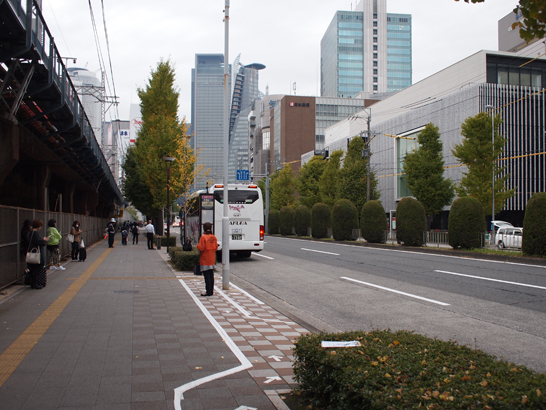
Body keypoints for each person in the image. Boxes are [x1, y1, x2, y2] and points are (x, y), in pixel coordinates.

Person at [197, 222, 218, 297]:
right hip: (212, 259)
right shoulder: (214, 237)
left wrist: (197, 245)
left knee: (206, 276)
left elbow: (201, 248)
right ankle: (211, 290)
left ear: (204, 228)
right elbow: (216, 247)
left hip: (205, 259)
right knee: (211, 275)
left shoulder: (203, 237)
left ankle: (208, 291)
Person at [28, 219, 50, 289]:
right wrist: (44, 240)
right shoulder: (35, 233)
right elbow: (39, 242)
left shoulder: (30, 232)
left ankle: (33, 283)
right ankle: (35, 284)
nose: (41, 227)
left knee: (33, 269)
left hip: (32, 252)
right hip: (36, 254)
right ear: (38, 226)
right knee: (36, 269)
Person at [20, 219, 33, 285]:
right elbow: (28, 240)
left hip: (25, 249)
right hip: (28, 249)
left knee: (29, 264)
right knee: (30, 265)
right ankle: (28, 278)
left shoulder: (23, 231)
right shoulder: (27, 232)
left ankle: (28, 278)